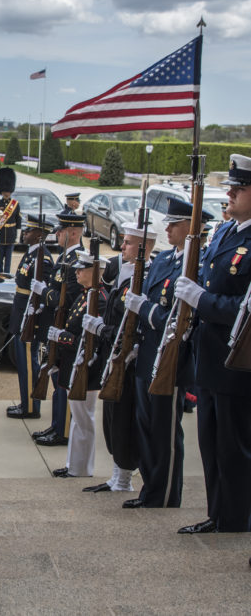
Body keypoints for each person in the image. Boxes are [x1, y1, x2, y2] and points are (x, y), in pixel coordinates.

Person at [172, 155, 251, 534]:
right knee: (212, 446)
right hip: (209, 357)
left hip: (237, 363)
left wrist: (200, 300)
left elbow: (244, 307)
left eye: (239, 188)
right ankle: (218, 513)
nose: (230, 193)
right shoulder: (225, 233)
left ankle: (237, 519)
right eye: (231, 187)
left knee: (235, 448)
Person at [123, 199, 205, 511]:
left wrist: (143, 308)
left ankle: (166, 493)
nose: (167, 228)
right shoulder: (165, 259)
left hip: (169, 358)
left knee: (164, 432)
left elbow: (177, 316)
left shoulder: (193, 264)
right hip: (148, 355)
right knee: (147, 428)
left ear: (190, 227)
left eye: (174, 224)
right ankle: (151, 488)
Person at [81, 221, 152, 495]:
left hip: (128, 361)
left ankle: (124, 477)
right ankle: (116, 475)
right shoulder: (122, 271)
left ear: (143, 247)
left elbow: (132, 326)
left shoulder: (143, 276)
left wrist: (103, 329)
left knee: (123, 421)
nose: (122, 246)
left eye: (129, 242)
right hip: (114, 355)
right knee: (111, 421)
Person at [47, 251, 108, 479]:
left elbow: (93, 342)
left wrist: (61, 337)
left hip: (86, 368)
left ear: (94, 272)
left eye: (81, 269)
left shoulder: (99, 299)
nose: (77, 272)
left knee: (84, 419)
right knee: (78, 419)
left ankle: (82, 469)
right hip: (74, 365)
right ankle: (74, 465)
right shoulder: (86, 296)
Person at [30, 210, 86, 447]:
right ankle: (56, 425)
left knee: (62, 381)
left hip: (65, 328)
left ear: (73, 233)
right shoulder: (65, 258)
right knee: (54, 378)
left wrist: (43, 292)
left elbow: (67, 298)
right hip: (54, 326)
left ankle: (63, 431)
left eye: (61, 231)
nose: (57, 234)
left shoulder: (77, 262)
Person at [6, 215, 53, 421]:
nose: (24, 233)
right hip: (21, 312)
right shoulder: (31, 254)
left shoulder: (43, 258)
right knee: (23, 363)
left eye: (29, 230)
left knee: (28, 363)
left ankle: (31, 407)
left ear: (40, 235)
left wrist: (35, 314)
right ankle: (26, 402)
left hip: (29, 317)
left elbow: (44, 294)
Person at [0, 178, 20, 275]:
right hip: (0, 234)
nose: (6, 193)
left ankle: (6, 276)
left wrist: (18, 236)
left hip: (11, 234)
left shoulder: (15, 205)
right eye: (5, 191)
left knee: (8, 261)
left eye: (8, 191)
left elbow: (18, 220)